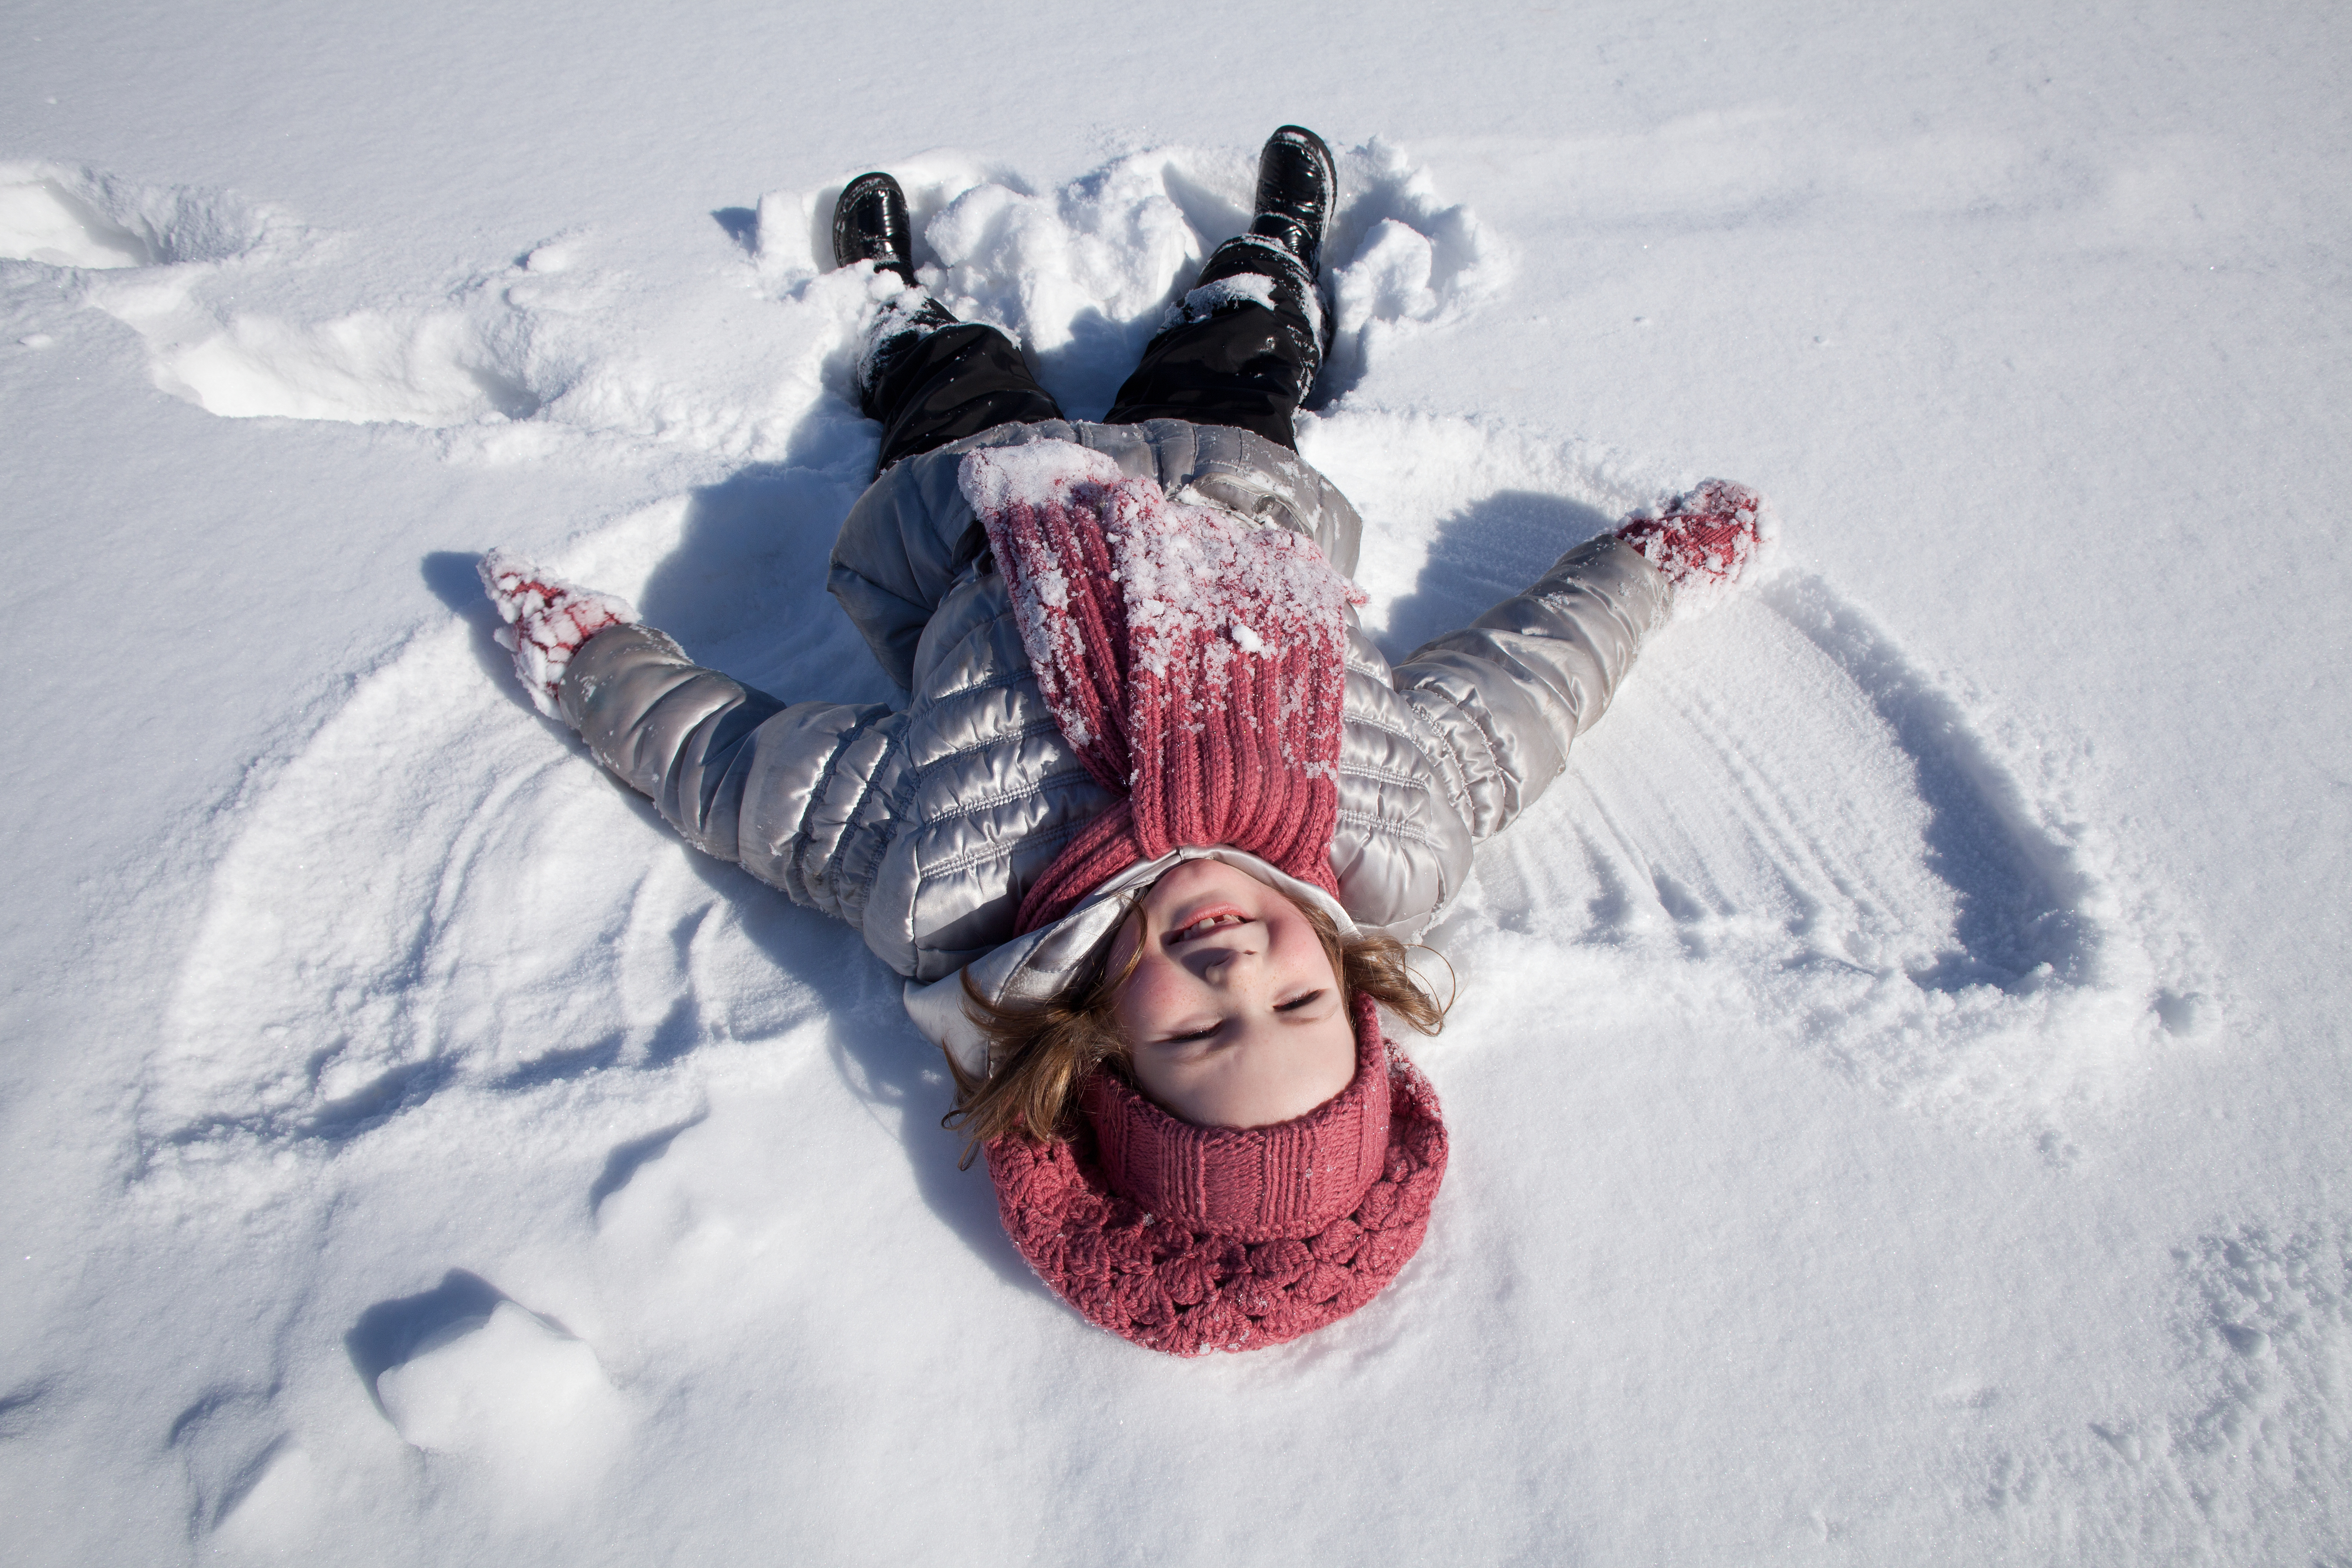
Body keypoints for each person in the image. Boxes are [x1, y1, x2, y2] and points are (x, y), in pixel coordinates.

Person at [478, 127, 1773, 1356]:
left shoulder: (956, 882)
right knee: (1242, 349)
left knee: (952, 382)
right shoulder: (1389, 832)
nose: (1238, 969)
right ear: (1355, 988)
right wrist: (1651, 569)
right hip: (1231, 476)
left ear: (1102, 1052)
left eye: (1202, 1035)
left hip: (992, 505)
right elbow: (1530, 689)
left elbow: (731, 771)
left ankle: (896, 311)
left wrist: (590, 664)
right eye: (1298, 1002)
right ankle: (1271, 260)